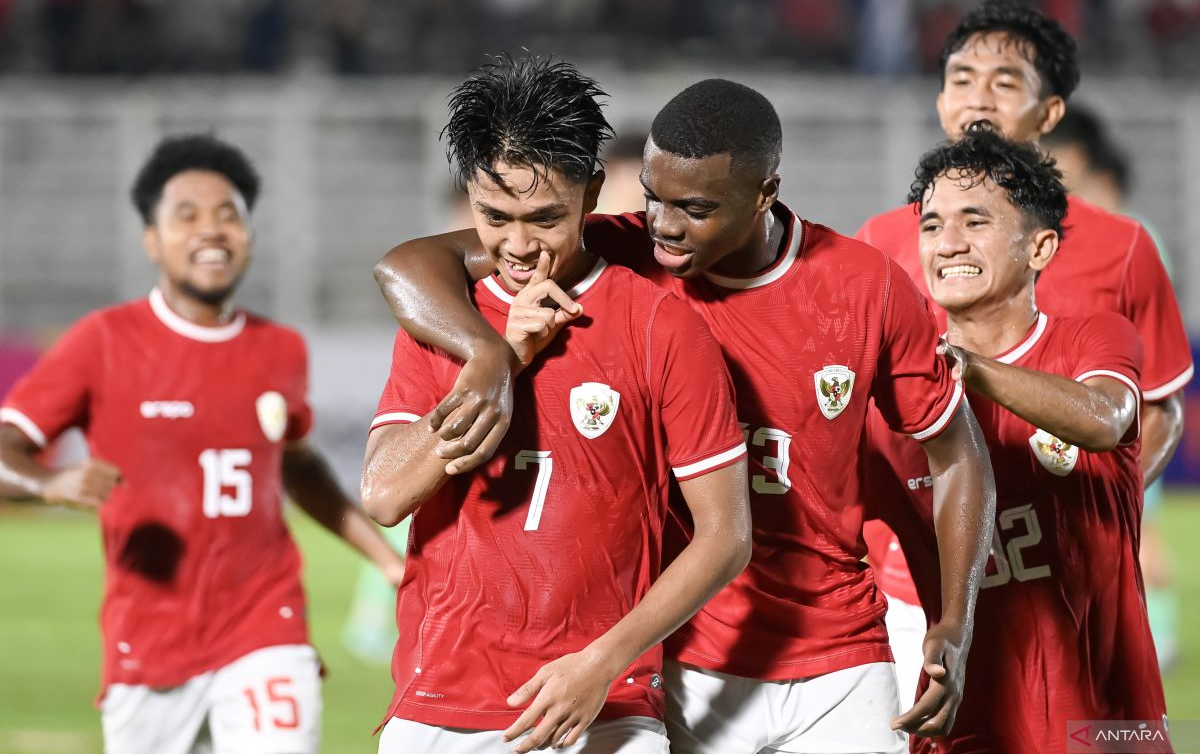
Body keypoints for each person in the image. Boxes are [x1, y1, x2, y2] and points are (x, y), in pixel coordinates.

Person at [372, 77, 997, 753]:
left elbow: (958, 455)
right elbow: (413, 262)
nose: (665, 226)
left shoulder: (862, 286)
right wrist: (490, 353)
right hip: (681, 655)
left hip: (836, 650)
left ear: (764, 193)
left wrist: (954, 620)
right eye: (652, 198)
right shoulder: (617, 249)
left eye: (694, 208)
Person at [359, 53, 752, 754]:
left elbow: (725, 536)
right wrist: (505, 359)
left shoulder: (661, 325)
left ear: (593, 193)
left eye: (544, 217)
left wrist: (602, 664)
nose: (516, 244)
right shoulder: (448, 319)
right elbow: (386, 494)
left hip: (607, 707)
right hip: (443, 704)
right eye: (493, 215)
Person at [0, 134, 406, 754]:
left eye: (228, 214)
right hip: (149, 643)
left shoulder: (280, 349)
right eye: (186, 215)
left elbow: (296, 467)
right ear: (152, 240)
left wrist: (381, 559)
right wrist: (47, 482)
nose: (211, 230)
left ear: (249, 234)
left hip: (266, 630)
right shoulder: (103, 341)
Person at [856, 0, 1192, 707]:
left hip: (1062, 573)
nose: (977, 96)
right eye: (960, 77)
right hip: (912, 576)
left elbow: (1157, 408)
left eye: (1004, 82)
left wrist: (1110, 522)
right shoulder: (884, 239)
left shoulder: (1121, 247)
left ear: (1050, 114)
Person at [862, 130, 1168, 753]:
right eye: (930, 225)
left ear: (1040, 246)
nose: (947, 244)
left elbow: (1106, 418)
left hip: (1107, 730)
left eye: (974, 221)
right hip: (962, 730)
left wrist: (970, 366)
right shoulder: (891, 400)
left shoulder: (1095, 341)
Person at [1042, 105, 1180, 670]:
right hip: (1091, 414)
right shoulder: (1082, 246)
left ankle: (1158, 640)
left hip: (1125, 417)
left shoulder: (1132, 245)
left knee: (1133, 530)